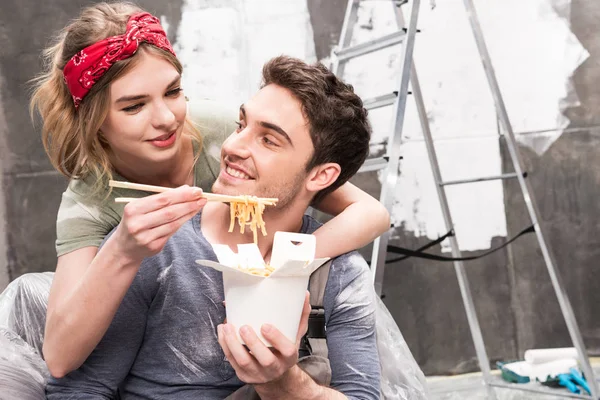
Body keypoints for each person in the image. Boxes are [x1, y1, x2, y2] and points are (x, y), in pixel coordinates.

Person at [28, 2, 390, 378]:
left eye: (173, 91)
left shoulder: (220, 134)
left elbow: (370, 212)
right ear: (94, 121)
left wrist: (282, 264)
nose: (167, 119)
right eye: (134, 106)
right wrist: (122, 250)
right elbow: (59, 356)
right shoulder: (88, 201)